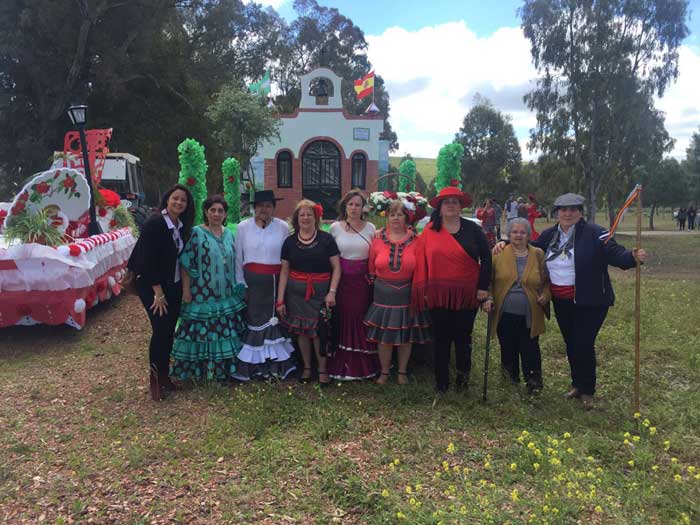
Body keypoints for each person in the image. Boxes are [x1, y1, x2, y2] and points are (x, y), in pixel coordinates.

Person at [494, 193, 647, 408]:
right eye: (563, 210)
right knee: (571, 343)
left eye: (573, 210)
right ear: (557, 213)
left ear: (580, 212)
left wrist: (631, 257)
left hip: (591, 300)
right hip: (562, 301)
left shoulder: (596, 233)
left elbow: (615, 253)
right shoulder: (550, 235)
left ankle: (587, 390)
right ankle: (577, 384)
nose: (567, 214)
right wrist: (504, 243)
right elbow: (529, 246)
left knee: (583, 343)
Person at [412, 186, 492, 392]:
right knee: (441, 338)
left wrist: (483, 288)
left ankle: (463, 381)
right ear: (440, 207)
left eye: (454, 202)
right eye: (446, 202)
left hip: (467, 293)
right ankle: (441, 382)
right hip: (438, 294)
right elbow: (418, 256)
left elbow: (487, 257)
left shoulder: (473, 229)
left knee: (463, 337)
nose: (450, 206)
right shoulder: (430, 230)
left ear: (460, 206)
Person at [127, 184, 194, 401]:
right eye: (175, 198)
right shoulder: (154, 223)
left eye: (183, 200)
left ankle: (165, 376)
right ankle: (155, 380)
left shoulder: (180, 226)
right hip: (153, 285)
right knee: (160, 330)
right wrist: (158, 292)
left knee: (168, 332)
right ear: (167, 200)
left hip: (172, 284)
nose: (178, 203)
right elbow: (146, 260)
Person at [170, 195, 246, 383]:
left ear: (225, 214)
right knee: (203, 332)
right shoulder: (196, 233)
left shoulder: (229, 234)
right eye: (213, 210)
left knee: (223, 332)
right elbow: (186, 263)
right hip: (201, 294)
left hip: (225, 295)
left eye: (220, 210)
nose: (217, 214)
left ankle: (223, 371)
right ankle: (199, 371)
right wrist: (186, 291)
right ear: (206, 212)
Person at [365, 199, 431, 385]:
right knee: (384, 336)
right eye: (392, 214)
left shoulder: (417, 241)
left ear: (406, 217)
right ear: (387, 216)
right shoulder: (377, 240)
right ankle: (385, 372)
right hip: (383, 294)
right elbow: (371, 267)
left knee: (405, 335)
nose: (395, 218)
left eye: (400, 214)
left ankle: (402, 371)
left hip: (407, 294)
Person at [233, 190, 296, 381]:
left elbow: (287, 258)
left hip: (275, 284)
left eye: (268, 206)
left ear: (273, 208)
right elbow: (238, 258)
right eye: (260, 206)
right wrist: (241, 283)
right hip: (252, 285)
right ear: (254, 208)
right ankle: (254, 368)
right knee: (254, 322)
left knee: (274, 321)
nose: (264, 209)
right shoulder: (243, 227)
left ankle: (276, 366)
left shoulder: (283, 227)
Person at [482, 218, 550, 394]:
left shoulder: (538, 254)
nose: (518, 235)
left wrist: (545, 295)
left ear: (528, 235)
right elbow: (487, 281)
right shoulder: (497, 253)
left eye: (522, 232)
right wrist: (488, 298)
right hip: (504, 311)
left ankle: (533, 382)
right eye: (514, 232)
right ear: (508, 235)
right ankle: (509, 381)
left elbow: (546, 282)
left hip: (530, 312)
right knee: (508, 346)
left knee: (530, 347)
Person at [277, 200, 341, 385]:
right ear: (297, 218)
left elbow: (336, 268)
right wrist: (280, 300)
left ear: (316, 218)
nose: (305, 218)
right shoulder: (289, 242)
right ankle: (306, 367)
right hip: (296, 295)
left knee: (319, 331)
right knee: (303, 332)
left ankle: (322, 369)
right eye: (302, 215)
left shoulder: (326, 239)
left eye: (309, 215)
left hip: (321, 294)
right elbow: (284, 271)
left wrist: (332, 292)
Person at [327, 190, 379, 380]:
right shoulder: (335, 228)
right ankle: (342, 361)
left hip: (362, 283)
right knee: (343, 317)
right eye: (350, 204)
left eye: (358, 204)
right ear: (345, 206)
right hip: (341, 281)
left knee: (359, 317)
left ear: (363, 207)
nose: (354, 208)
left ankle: (363, 363)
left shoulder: (371, 228)